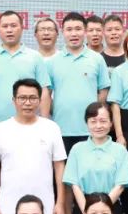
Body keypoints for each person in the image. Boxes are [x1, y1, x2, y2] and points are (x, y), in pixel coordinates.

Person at [0, 79, 66, 214]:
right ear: (14, 100)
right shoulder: (0, 130)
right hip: (8, 210)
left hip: (45, 209)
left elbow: (60, 167)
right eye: (22, 98)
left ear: (40, 100)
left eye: (32, 98)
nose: (27, 103)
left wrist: (60, 203)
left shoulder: (51, 128)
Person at [0, 11, 51, 146]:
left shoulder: (35, 57)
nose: (9, 30)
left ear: (22, 28)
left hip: (30, 125)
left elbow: (44, 91)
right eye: (5, 26)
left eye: (13, 26)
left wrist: (44, 124)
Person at [63, 102, 128, 214]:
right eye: (93, 121)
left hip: (111, 207)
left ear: (111, 123)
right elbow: (74, 185)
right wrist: (87, 213)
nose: (98, 126)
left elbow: (120, 185)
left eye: (103, 121)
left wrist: (101, 211)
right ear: (87, 123)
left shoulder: (120, 150)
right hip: (82, 208)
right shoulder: (77, 149)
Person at [48, 12, 111, 151]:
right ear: (62, 32)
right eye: (69, 29)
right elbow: (46, 94)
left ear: (85, 31)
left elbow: (104, 90)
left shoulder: (97, 59)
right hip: (61, 129)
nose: (74, 34)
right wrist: (56, 109)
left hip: (91, 129)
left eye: (78, 29)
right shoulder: (52, 62)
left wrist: (93, 112)